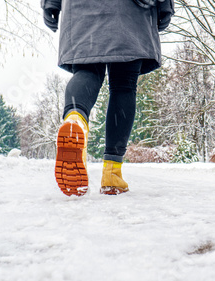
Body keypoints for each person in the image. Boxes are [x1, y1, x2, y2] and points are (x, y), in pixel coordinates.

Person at [41, 0, 174, 196]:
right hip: (131, 11)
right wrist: (165, 6)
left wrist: (50, 3)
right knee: (124, 85)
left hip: (80, 9)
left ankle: (75, 119)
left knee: (87, 71)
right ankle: (112, 174)